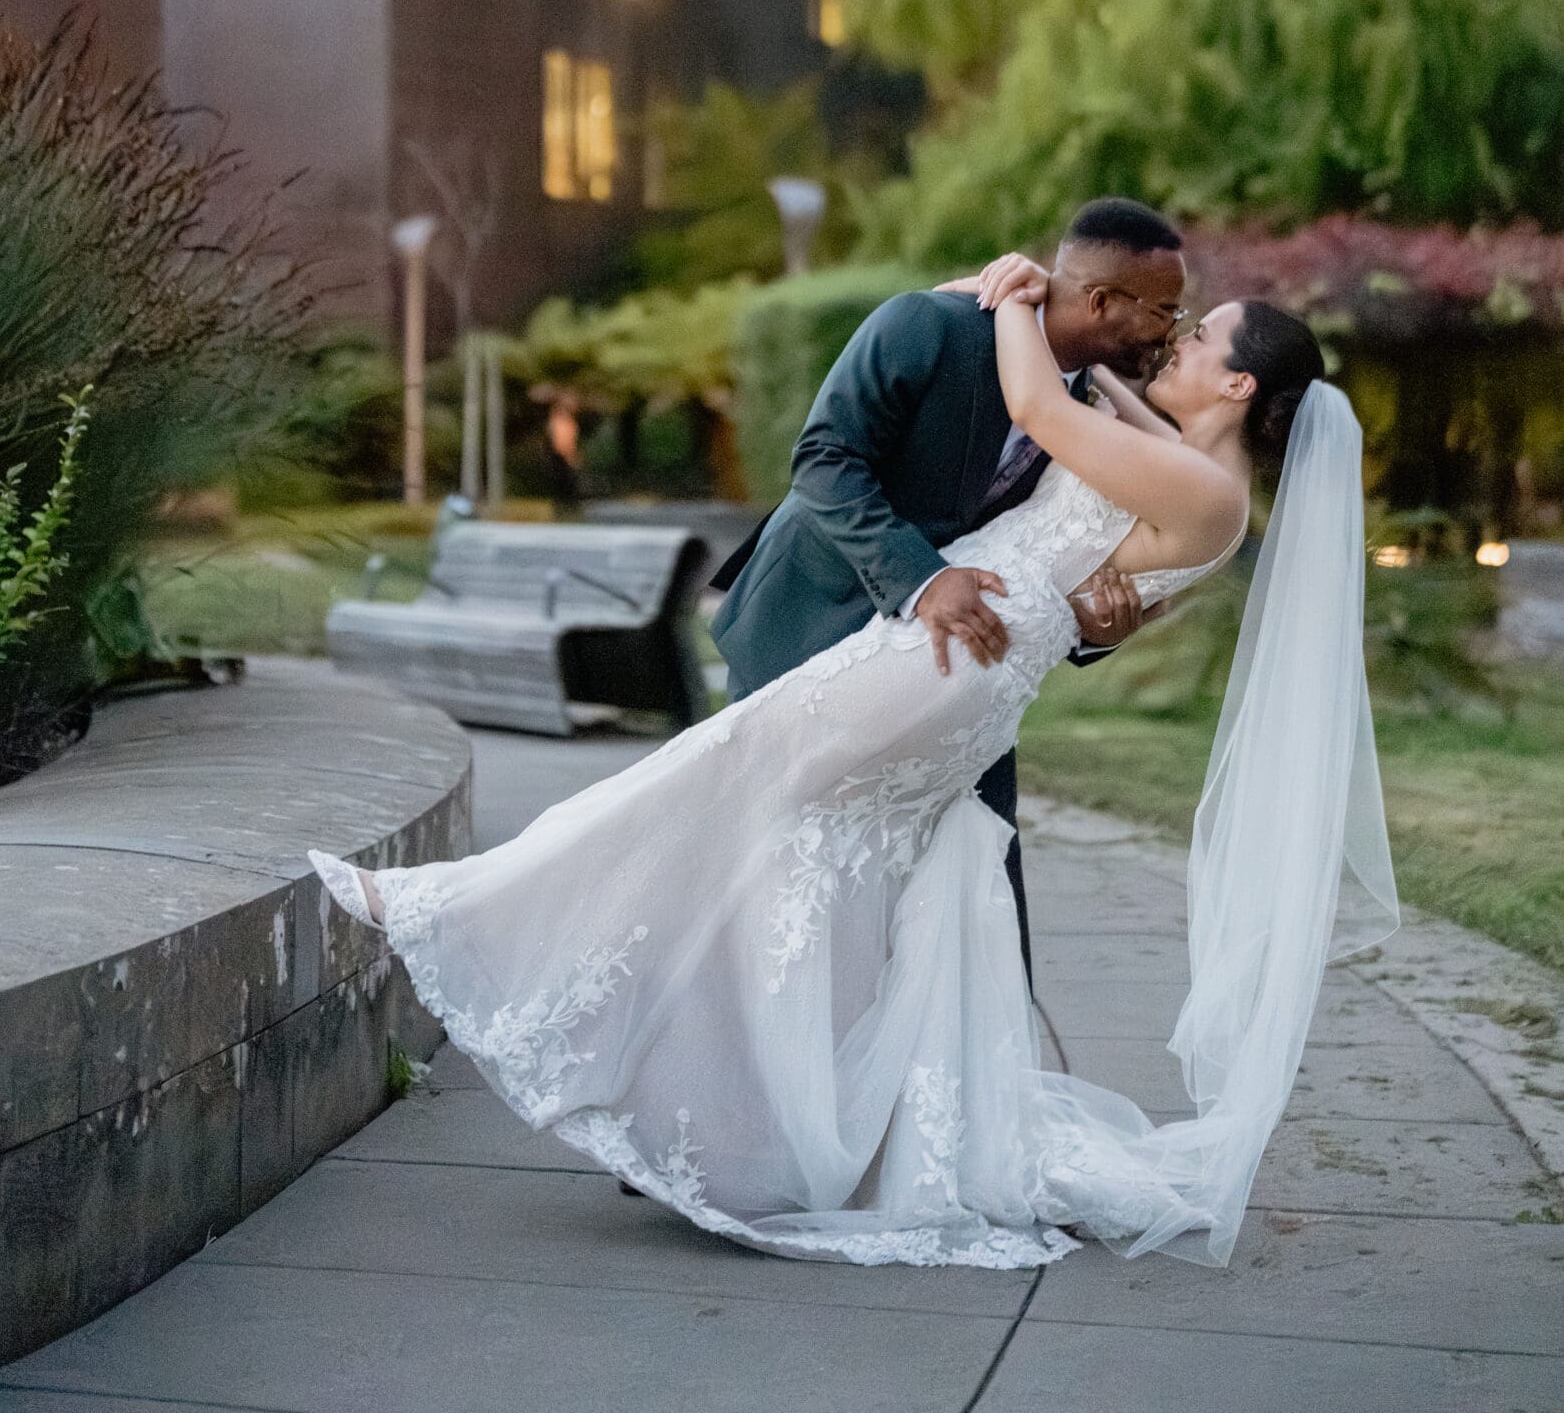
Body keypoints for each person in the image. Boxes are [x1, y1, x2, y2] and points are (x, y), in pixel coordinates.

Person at [312, 254, 1396, 1269]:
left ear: (1241, 382)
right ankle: (774, 1123)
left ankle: (451, 906)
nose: (1180, 340)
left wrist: (1015, 295)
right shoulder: (1187, 463)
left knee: (716, 777)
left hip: (949, 658)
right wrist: (1011, 307)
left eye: (1201, 335)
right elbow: (1104, 421)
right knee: (825, 874)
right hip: (960, 657)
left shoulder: (1203, 492)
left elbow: (1037, 409)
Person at [711, 197, 1188, 977]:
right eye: (1165, 309)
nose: (1171, 330)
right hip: (809, 629)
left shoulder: (1080, 408)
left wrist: (1095, 633)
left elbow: (1047, 549)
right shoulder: (928, 325)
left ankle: (980, 1065)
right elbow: (825, 460)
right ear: (1102, 301)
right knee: (766, 867)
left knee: (983, 891)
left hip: (952, 673)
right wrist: (923, 579)